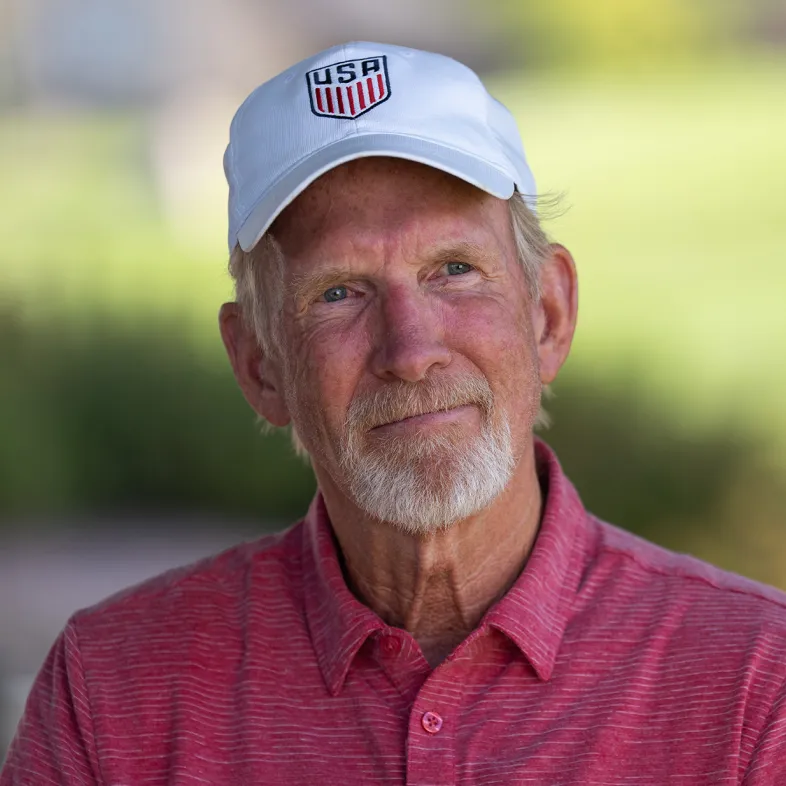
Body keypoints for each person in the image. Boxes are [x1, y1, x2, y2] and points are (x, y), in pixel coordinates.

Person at [2, 41, 786, 785]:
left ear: (548, 313)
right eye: (338, 292)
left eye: (453, 270)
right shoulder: (113, 692)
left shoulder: (758, 687)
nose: (410, 351)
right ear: (259, 365)